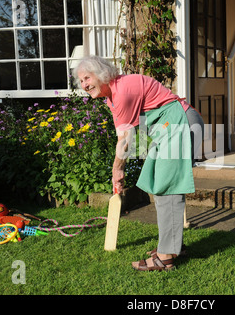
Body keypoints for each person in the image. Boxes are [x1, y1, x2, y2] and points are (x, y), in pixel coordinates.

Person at [74, 55, 204, 271]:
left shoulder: (123, 91)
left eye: (87, 78)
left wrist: (117, 168)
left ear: (102, 74)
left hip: (179, 123)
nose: (84, 85)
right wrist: (120, 168)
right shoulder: (112, 97)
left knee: (167, 188)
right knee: (158, 183)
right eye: (81, 81)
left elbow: (126, 138)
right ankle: (171, 246)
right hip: (167, 128)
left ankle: (166, 257)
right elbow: (126, 137)